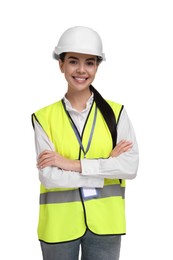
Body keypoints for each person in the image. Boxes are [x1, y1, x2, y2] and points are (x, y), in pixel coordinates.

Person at [32, 26, 139, 260]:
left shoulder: (116, 113)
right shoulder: (43, 117)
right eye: (73, 61)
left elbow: (129, 168)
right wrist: (106, 168)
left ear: (97, 66)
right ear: (61, 64)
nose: (81, 70)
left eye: (89, 62)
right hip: (58, 228)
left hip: (106, 225)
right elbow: (50, 177)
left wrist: (71, 164)